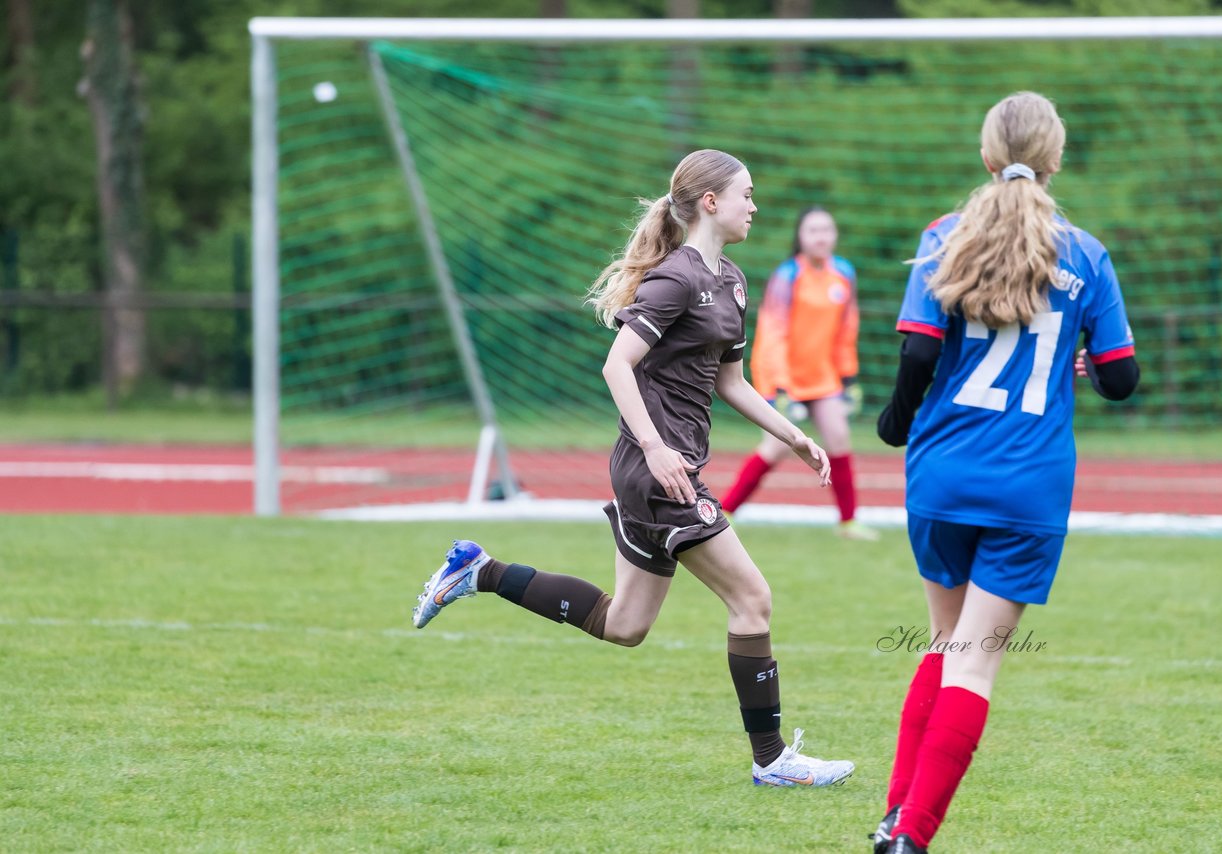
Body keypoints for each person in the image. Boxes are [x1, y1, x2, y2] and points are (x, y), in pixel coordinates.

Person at [411, 149, 855, 788]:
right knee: (752, 598)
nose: (755, 206)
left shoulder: (730, 279)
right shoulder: (675, 279)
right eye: (746, 194)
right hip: (658, 471)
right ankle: (773, 761)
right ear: (710, 202)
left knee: (624, 625)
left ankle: (480, 572)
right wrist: (653, 447)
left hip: (664, 468)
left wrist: (792, 435)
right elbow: (617, 365)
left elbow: (732, 380)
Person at [869, 92, 1140, 853]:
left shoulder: (943, 235)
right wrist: (1084, 363)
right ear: (1055, 161)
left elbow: (920, 351)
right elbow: (1121, 379)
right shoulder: (1086, 253)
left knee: (943, 643)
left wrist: (895, 421)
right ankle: (911, 836)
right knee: (975, 662)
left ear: (986, 157)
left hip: (943, 472)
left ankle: (895, 815)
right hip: (1030, 482)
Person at [720, 206, 879, 541]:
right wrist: (777, 388)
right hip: (785, 381)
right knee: (775, 448)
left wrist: (848, 377)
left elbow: (846, 330)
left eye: (827, 229)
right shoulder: (788, 275)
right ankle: (725, 513)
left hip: (823, 379)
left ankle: (848, 522)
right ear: (801, 238)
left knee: (838, 439)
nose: (821, 236)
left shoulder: (844, 274)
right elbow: (772, 334)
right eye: (813, 230)